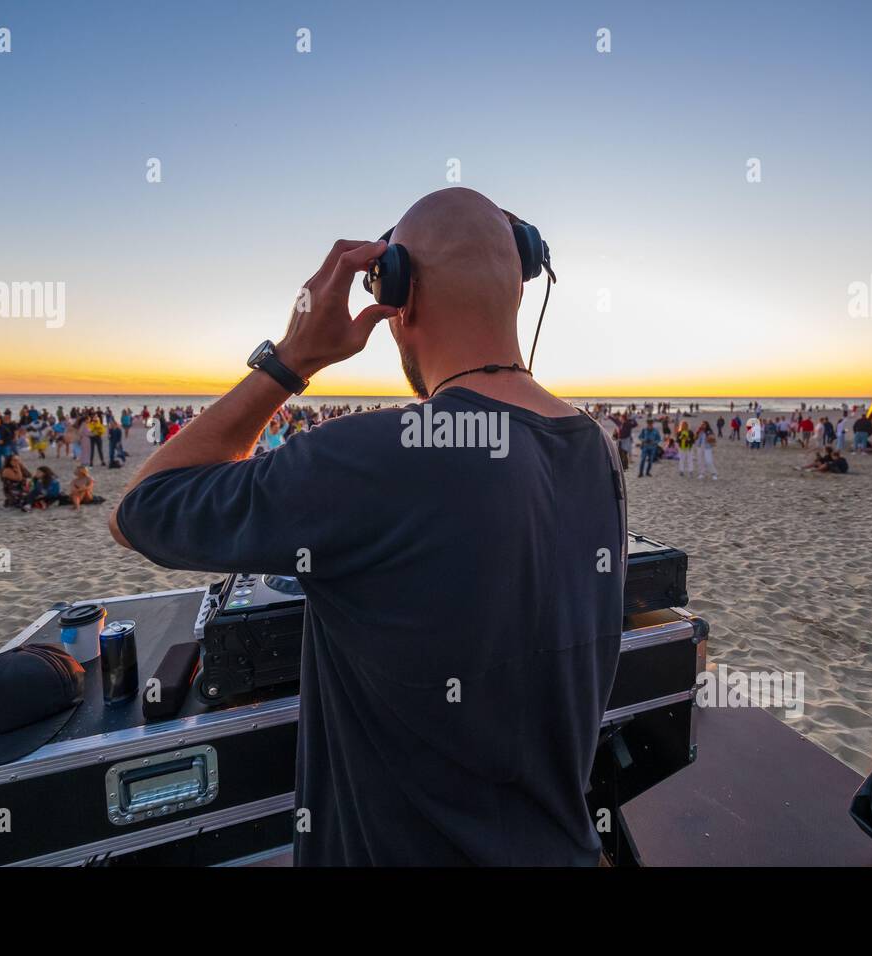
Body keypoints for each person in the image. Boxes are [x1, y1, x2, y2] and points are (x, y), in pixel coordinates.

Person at [110, 188, 623, 866]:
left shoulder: (372, 456)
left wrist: (292, 358)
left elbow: (141, 508)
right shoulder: (598, 447)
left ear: (397, 296)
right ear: (521, 284)